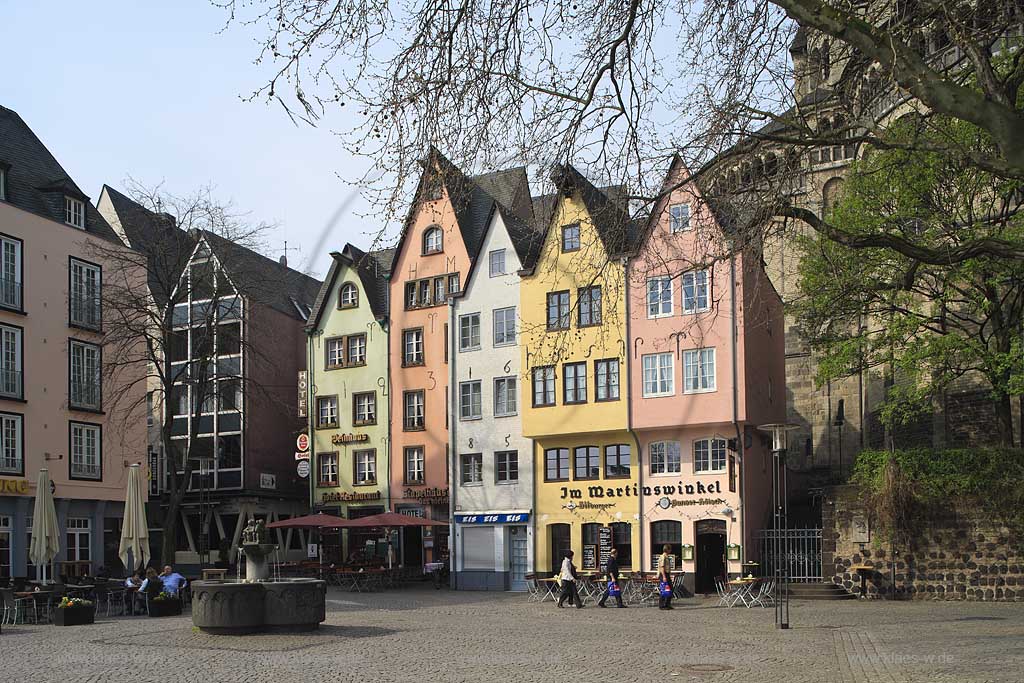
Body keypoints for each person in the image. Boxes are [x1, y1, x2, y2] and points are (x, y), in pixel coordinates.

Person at [658, 544, 674, 610]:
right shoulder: (663, 557)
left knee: (670, 589)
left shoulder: (667, 557)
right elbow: (662, 567)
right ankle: (662, 605)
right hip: (663, 574)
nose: (670, 550)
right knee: (664, 590)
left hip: (667, 574)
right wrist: (664, 577)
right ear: (667, 549)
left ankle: (667, 604)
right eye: (670, 549)